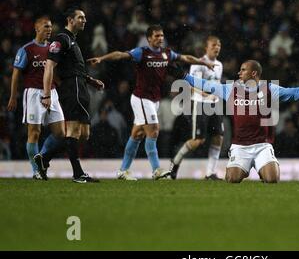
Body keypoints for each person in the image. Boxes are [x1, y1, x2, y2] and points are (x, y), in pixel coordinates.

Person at [168, 60, 299, 183]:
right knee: (232, 179)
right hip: (240, 147)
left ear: (253, 73)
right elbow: (205, 85)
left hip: (262, 145)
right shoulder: (231, 89)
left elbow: (294, 92)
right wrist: (184, 76)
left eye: (243, 70)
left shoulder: (269, 89)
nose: (238, 72)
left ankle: (262, 167)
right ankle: (243, 166)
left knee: (272, 179)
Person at [87, 24, 215, 181]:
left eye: (161, 36)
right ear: (148, 39)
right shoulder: (142, 52)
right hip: (141, 98)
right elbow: (120, 55)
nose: (160, 39)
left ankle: (123, 170)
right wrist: (102, 58)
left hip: (154, 100)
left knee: (137, 134)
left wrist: (204, 63)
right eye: (156, 36)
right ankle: (156, 170)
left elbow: (185, 58)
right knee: (154, 130)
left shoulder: (167, 54)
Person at [35, 7, 105, 183]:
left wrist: (90, 80)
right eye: (80, 17)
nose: (84, 20)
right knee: (73, 131)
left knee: (84, 134)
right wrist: (46, 94)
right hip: (71, 88)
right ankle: (78, 174)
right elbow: (49, 66)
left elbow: (72, 67)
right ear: (70, 20)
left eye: (85, 17)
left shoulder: (72, 40)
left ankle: (45, 158)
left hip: (80, 86)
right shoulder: (61, 39)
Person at [7, 16, 65, 180]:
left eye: (51, 27)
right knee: (34, 133)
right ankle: (36, 171)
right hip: (33, 94)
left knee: (61, 132)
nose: (49, 30)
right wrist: (13, 96)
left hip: (52, 92)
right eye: (46, 27)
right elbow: (16, 74)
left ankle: (41, 157)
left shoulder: (53, 49)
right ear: (36, 28)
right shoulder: (27, 49)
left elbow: (55, 73)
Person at [170, 36, 224, 180]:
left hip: (215, 105)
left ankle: (210, 173)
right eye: (213, 45)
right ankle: (174, 163)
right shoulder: (198, 64)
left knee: (218, 138)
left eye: (218, 45)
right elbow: (191, 87)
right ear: (206, 48)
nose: (216, 47)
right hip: (200, 104)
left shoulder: (219, 64)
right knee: (198, 140)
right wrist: (205, 93)